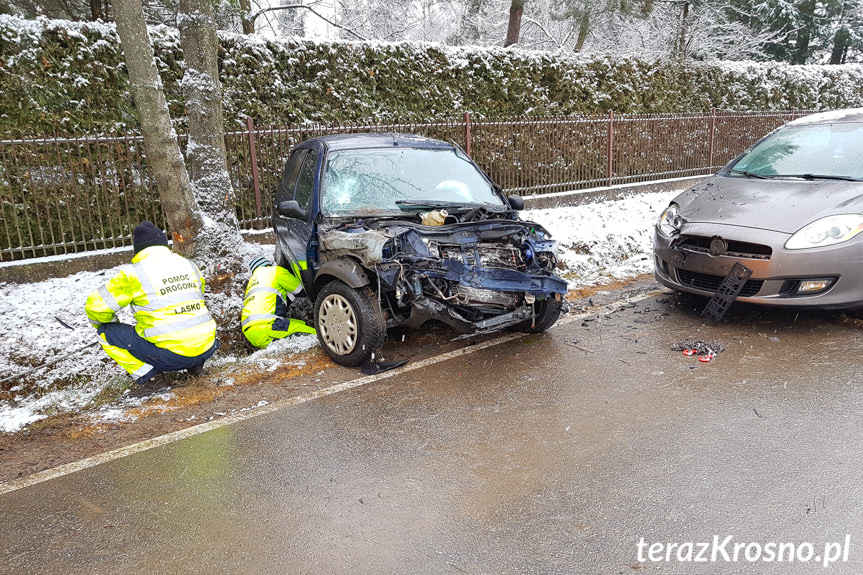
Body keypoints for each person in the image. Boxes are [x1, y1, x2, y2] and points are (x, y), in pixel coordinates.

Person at [85, 221, 219, 398]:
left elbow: (95, 307)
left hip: (171, 357)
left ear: (138, 249)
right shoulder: (188, 265)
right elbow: (198, 295)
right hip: (207, 348)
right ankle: (195, 369)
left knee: (105, 333)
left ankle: (151, 380)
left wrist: (110, 325)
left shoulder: (133, 273)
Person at [241, 257, 316, 348]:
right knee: (315, 335)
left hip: (251, 332)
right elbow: (301, 290)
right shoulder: (275, 271)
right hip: (267, 327)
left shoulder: (252, 282)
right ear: (268, 265)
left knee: (302, 324)